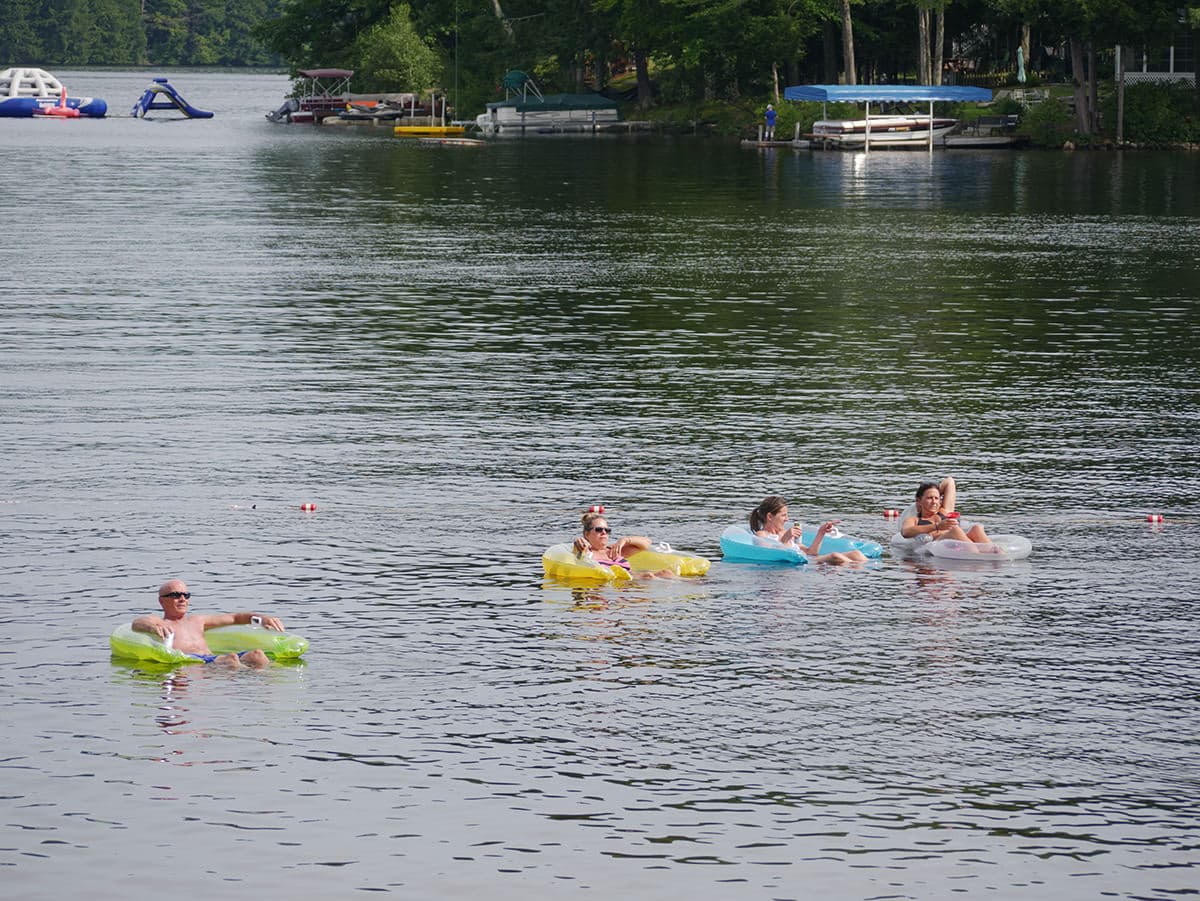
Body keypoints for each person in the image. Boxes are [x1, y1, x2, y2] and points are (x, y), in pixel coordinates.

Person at [132, 579, 283, 668]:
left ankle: (269, 694)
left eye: (186, 595)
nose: (182, 599)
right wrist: (153, 627)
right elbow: (137, 623)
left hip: (213, 658)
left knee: (257, 655)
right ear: (162, 601)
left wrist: (263, 619)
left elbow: (236, 618)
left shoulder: (197, 621)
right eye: (175, 595)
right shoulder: (162, 623)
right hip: (195, 662)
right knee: (230, 659)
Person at [750, 495, 867, 565]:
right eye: (783, 515)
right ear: (770, 517)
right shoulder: (761, 535)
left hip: (808, 559)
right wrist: (785, 540)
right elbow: (772, 556)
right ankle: (862, 572)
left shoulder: (784, 532)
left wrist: (821, 533)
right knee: (835, 556)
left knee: (856, 554)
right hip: (801, 564)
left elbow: (811, 552)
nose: (787, 519)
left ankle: (868, 572)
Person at [572, 510, 675, 579]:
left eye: (607, 530)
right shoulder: (586, 551)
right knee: (648, 576)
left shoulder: (615, 550)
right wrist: (578, 541)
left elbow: (647, 543)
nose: (604, 532)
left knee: (666, 573)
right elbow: (576, 551)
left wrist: (624, 540)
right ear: (586, 534)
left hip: (637, 579)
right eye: (599, 529)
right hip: (622, 586)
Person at [900, 477, 993, 547]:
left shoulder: (944, 511)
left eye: (936, 498)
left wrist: (934, 490)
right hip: (940, 543)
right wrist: (937, 526)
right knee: (955, 530)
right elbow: (905, 532)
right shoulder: (914, 520)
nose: (934, 501)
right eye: (929, 498)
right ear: (919, 500)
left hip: (961, 542)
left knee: (976, 528)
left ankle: (995, 552)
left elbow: (949, 481)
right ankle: (977, 553)